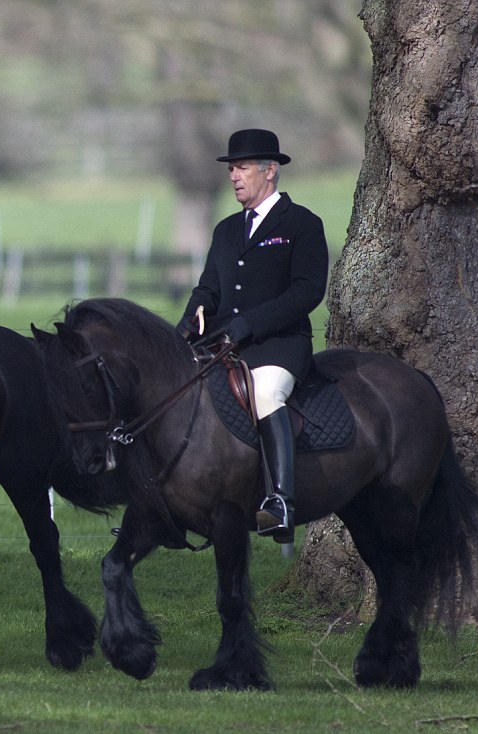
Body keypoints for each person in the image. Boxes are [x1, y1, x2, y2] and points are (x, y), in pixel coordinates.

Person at [178, 129, 329, 541]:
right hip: (225, 347)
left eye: (242, 168)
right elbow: (208, 289)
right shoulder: (226, 230)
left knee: (265, 393)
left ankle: (281, 501)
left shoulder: (301, 224)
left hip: (278, 346)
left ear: (270, 171)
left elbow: (307, 291)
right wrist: (188, 322)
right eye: (231, 169)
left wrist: (251, 324)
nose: (233, 176)